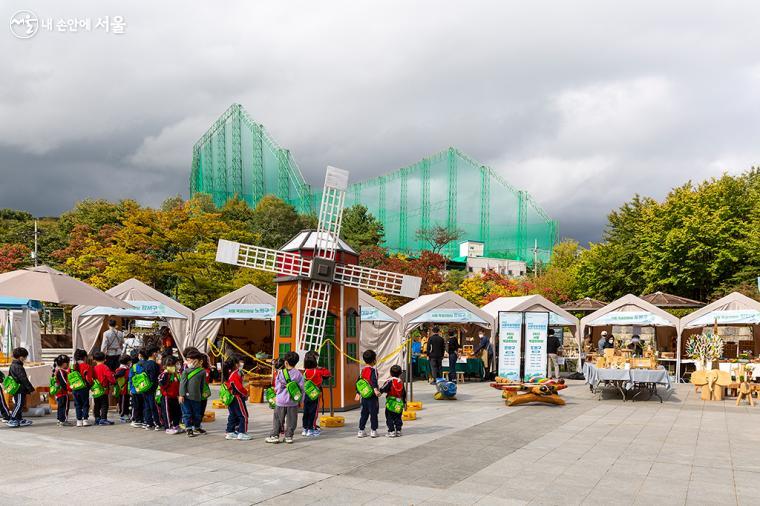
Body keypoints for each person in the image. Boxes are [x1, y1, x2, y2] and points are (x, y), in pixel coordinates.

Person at [266, 352, 304, 444]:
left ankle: (275, 435)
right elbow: (302, 388)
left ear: (286, 362)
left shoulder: (281, 373)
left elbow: (277, 388)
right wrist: (301, 400)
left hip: (281, 401)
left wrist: (277, 395)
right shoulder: (299, 374)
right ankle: (289, 436)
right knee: (292, 420)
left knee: (278, 419)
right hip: (293, 401)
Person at [179, 349, 209, 437]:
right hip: (186, 397)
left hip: (198, 397)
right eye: (187, 360)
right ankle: (188, 428)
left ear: (197, 361)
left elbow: (203, 385)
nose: (187, 362)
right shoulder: (185, 372)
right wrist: (181, 395)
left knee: (197, 413)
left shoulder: (202, 371)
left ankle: (197, 427)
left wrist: (204, 395)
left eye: (189, 360)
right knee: (187, 413)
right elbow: (182, 384)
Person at [301, 353, 330, 437]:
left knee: (306, 412)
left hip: (306, 394)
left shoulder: (305, 371)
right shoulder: (317, 371)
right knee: (313, 412)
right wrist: (322, 368)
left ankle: (305, 429)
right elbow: (327, 373)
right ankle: (311, 429)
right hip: (315, 394)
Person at [224, 356, 251, 441]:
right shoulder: (235, 374)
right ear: (236, 364)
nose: (242, 364)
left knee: (233, 415)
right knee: (243, 415)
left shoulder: (230, 372)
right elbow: (238, 387)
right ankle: (242, 432)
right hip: (237, 397)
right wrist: (246, 393)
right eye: (240, 362)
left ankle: (230, 431)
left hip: (231, 397)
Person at [355, 349, 381, 439]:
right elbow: (374, 381)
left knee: (364, 413)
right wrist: (376, 390)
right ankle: (373, 431)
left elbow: (359, 382)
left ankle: (361, 430)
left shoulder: (362, 371)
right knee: (373, 413)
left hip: (364, 396)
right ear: (374, 360)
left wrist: (358, 393)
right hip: (372, 396)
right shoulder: (373, 370)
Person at [7, 347, 35, 428]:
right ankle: (12, 418)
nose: (26, 358)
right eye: (25, 357)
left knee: (20, 403)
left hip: (18, 388)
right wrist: (31, 389)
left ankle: (18, 419)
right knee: (19, 404)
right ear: (21, 357)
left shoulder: (15, 365)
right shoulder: (17, 366)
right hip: (19, 389)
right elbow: (23, 379)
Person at [379, 364, 406, 438]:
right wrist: (404, 402)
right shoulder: (401, 382)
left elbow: (383, 389)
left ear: (390, 373)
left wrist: (379, 392)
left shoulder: (389, 381)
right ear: (400, 374)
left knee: (389, 417)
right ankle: (398, 430)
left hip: (390, 402)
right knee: (398, 417)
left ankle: (391, 431)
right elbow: (404, 393)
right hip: (399, 402)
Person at [158, 355, 182, 435]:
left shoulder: (176, 374)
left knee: (177, 412)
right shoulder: (164, 374)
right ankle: (168, 427)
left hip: (175, 396)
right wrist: (165, 373)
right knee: (167, 412)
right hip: (167, 397)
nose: (177, 366)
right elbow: (161, 383)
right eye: (175, 365)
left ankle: (176, 425)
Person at [92, 351, 116, 425]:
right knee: (104, 404)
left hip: (95, 389)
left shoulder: (94, 368)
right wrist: (114, 382)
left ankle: (97, 418)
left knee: (97, 404)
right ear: (105, 359)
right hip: (104, 389)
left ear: (94, 360)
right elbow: (110, 377)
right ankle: (103, 419)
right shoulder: (105, 367)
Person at [141, 346, 161, 431]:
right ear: (154, 353)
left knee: (147, 406)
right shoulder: (153, 364)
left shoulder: (145, 363)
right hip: (152, 388)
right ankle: (157, 423)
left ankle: (149, 423)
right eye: (157, 352)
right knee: (154, 406)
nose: (158, 354)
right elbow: (153, 378)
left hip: (145, 387)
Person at [72, 348, 92, 427]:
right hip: (84, 388)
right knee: (85, 404)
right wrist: (91, 385)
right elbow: (89, 379)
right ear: (85, 357)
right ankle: (85, 420)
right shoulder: (87, 366)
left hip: (74, 388)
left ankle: (79, 420)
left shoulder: (72, 366)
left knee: (77, 404)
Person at [128, 349, 146, 428]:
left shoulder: (133, 367)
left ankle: (136, 419)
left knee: (135, 406)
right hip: (143, 388)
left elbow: (130, 379)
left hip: (135, 390)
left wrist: (130, 389)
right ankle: (141, 419)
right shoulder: (143, 365)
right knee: (142, 405)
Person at [53, 354, 72, 426]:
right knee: (65, 407)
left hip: (59, 393)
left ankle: (59, 419)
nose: (69, 364)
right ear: (64, 364)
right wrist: (69, 390)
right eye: (68, 363)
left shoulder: (57, 370)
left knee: (60, 406)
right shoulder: (61, 371)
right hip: (63, 393)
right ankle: (63, 420)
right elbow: (64, 382)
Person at [114, 354, 132, 423]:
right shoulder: (123, 369)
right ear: (128, 362)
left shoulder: (122, 369)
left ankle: (125, 414)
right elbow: (117, 375)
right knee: (124, 402)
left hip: (124, 389)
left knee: (125, 402)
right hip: (124, 389)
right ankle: (123, 415)